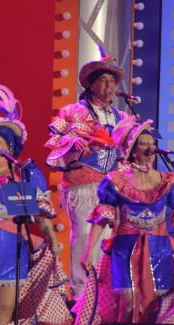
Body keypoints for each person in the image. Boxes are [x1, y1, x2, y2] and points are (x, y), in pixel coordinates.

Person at [72, 117, 174, 325]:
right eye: (142, 143)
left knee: (155, 301)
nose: (149, 148)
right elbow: (103, 215)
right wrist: (89, 251)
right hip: (125, 246)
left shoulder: (165, 180)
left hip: (159, 246)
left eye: (151, 143)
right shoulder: (116, 181)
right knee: (127, 299)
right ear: (131, 149)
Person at [0, 84, 72, 325]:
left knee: (4, 308)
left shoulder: (26, 175)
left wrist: (49, 236)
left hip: (12, 247)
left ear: (9, 146)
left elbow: (39, 212)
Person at [45, 46, 130, 299]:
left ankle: (105, 297)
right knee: (84, 239)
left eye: (112, 81)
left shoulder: (123, 115)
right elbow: (53, 146)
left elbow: (127, 153)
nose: (108, 86)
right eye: (102, 80)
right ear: (91, 85)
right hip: (83, 185)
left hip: (113, 189)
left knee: (111, 240)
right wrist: (76, 145)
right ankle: (81, 295)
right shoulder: (72, 112)